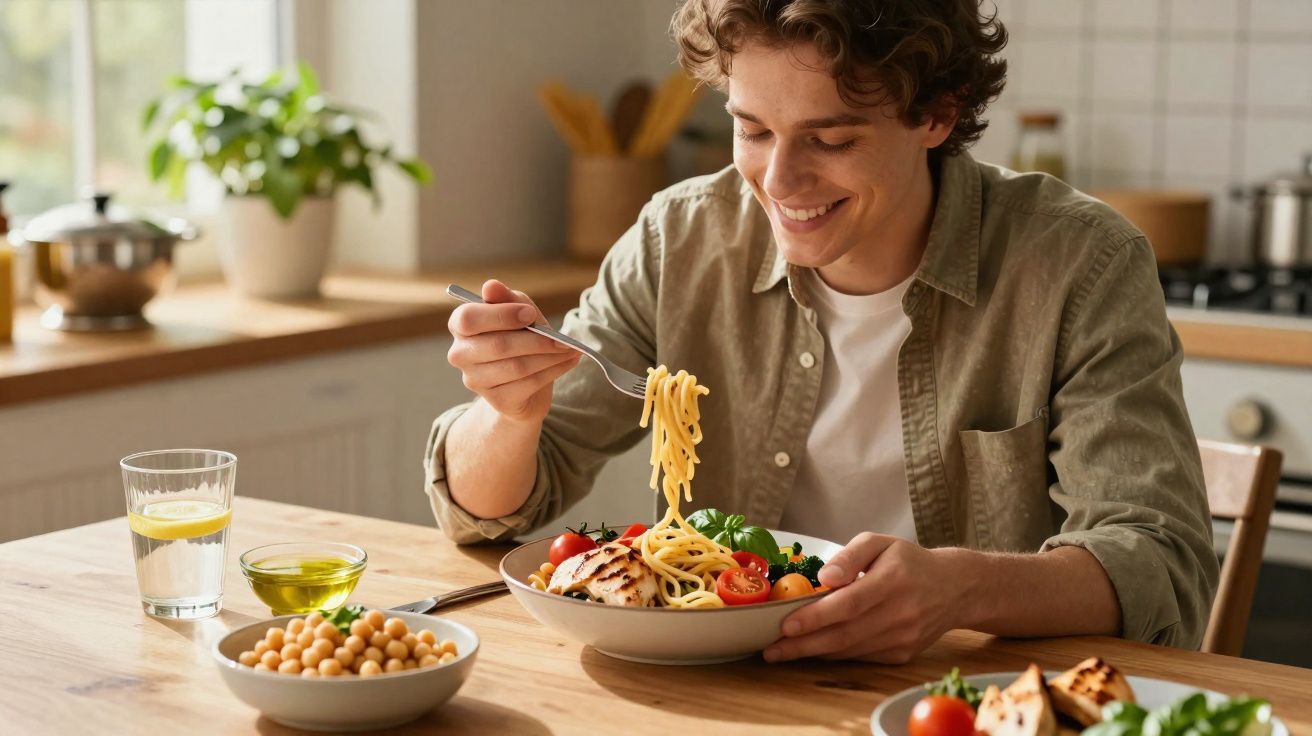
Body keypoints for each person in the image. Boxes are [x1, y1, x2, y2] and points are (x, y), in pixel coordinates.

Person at [425, 0, 1217, 663]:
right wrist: (509, 414)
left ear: (936, 114)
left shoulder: (1080, 263)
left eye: (831, 139)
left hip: (965, 700)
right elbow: (488, 513)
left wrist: (962, 589)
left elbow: (1161, 564)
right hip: (726, 692)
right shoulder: (682, 239)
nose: (779, 182)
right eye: (753, 130)